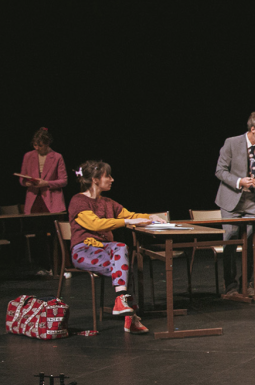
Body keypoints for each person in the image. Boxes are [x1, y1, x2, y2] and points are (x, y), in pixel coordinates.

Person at [68, 160, 165, 334]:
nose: (112, 180)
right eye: (108, 176)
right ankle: (131, 317)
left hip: (106, 250)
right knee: (124, 266)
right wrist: (126, 222)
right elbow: (96, 224)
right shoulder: (78, 201)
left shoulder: (108, 202)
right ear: (95, 179)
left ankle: (122, 301)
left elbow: (130, 215)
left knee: (121, 251)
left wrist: (150, 217)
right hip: (84, 250)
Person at [215, 111, 255, 298]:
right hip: (231, 199)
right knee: (230, 241)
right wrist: (239, 181)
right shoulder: (232, 143)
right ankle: (230, 286)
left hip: (252, 201)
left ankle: (246, 283)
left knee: (251, 242)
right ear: (253, 129)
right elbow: (220, 170)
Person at [19, 127, 68, 275]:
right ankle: (44, 267)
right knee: (39, 235)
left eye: (40, 145)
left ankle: (59, 267)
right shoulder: (29, 156)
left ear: (47, 144)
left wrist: (46, 183)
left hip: (51, 200)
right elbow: (22, 179)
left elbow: (63, 180)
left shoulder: (57, 157)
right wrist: (27, 182)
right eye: (35, 145)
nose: (37, 148)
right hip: (35, 199)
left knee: (55, 234)